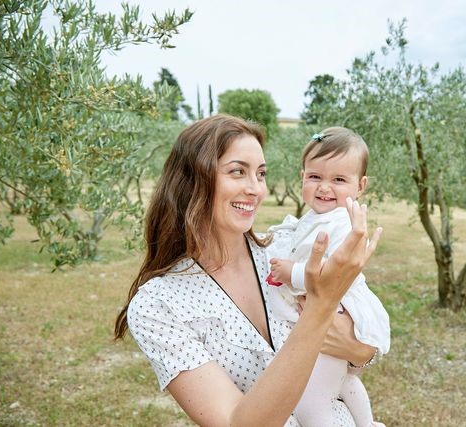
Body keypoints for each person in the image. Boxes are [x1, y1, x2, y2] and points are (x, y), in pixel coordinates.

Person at [113, 114, 383, 426]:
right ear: (193, 179)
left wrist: (362, 352)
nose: (255, 189)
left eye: (261, 174)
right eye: (238, 172)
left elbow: (355, 353)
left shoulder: (282, 252)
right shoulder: (158, 306)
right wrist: (320, 307)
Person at [266, 127, 390, 427]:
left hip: (333, 312)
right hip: (324, 315)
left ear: (360, 186)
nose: (325, 187)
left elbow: (330, 274)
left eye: (338, 179)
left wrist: (290, 272)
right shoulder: (318, 217)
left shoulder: (344, 223)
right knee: (345, 382)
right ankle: (368, 423)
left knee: (312, 405)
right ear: (302, 176)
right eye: (315, 177)